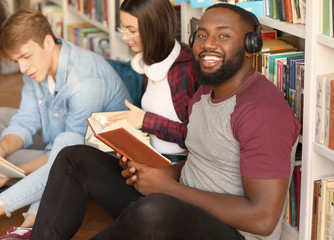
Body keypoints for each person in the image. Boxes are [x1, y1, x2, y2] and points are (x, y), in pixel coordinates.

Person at [31, 3, 301, 240]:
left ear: (251, 46)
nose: (208, 44)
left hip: (230, 231)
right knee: (74, 157)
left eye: (224, 36)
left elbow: (262, 220)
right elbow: (201, 159)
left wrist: (168, 189)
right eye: (202, 35)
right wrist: (159, 176)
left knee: (154, 211)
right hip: (182, 201)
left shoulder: (263, 112)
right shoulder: (205, 92)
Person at [0, 8, 131, 239]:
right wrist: (1, 152)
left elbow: (67, 156)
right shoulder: (35, 71)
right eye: (16, 60)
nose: (22, 68)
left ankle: (26, 221)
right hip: (56, 147)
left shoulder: (85, 82)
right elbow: (25, 121)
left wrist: (15, 172)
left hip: (93, 164)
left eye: (26, 56)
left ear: (48, 42)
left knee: (65, 142)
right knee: (2, 118)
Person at [102, 0, 198, 162]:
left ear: (154, 29)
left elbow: (197, 138)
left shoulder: (186, 70)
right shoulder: (149, 63)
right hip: (150, 156)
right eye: (123, 28)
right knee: (75, 156)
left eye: (131, 30)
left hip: (176, 166)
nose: (125, 36)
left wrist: (145, 120)